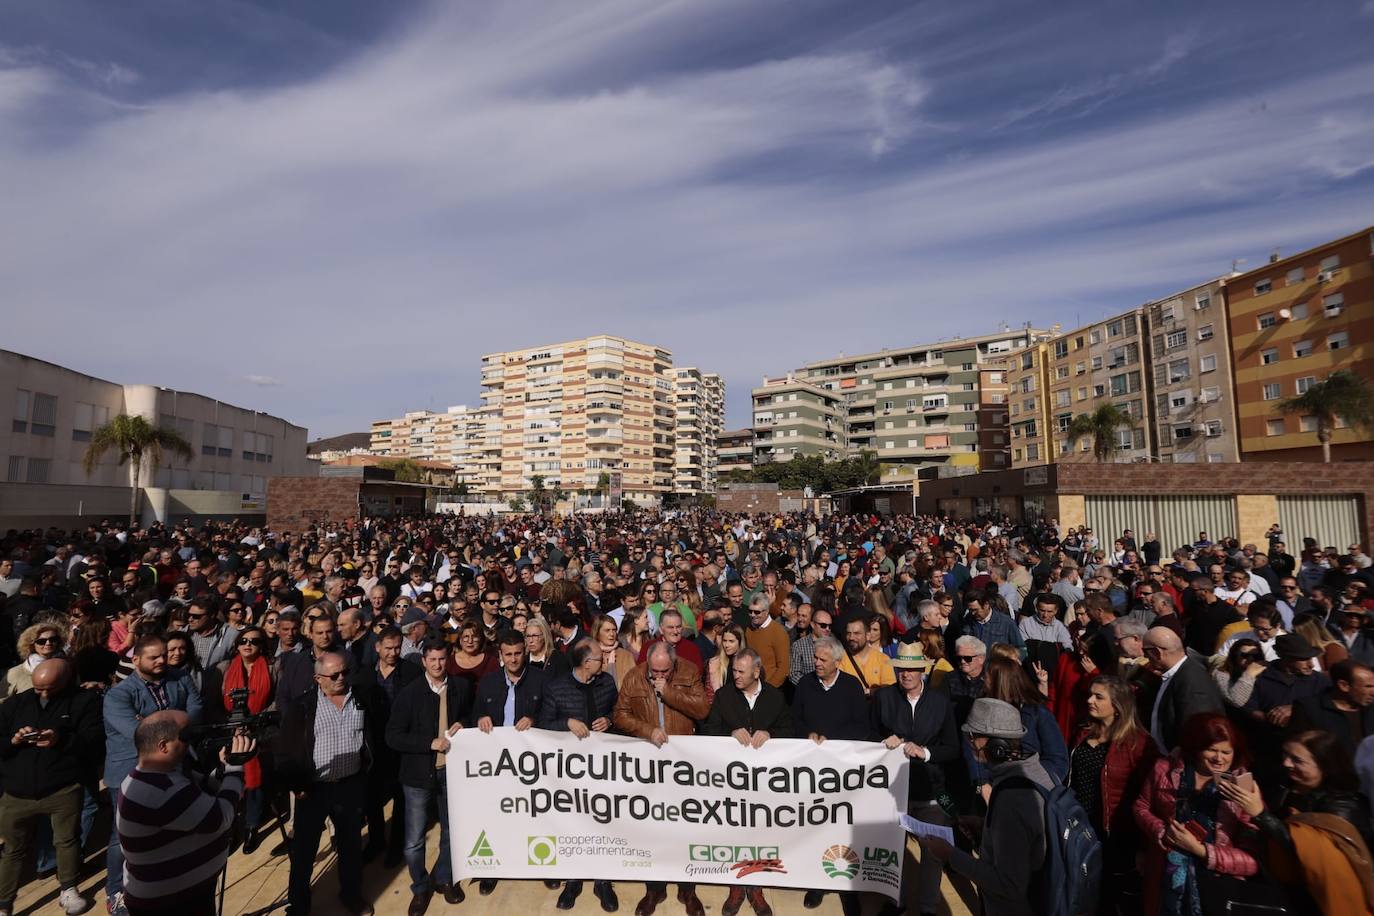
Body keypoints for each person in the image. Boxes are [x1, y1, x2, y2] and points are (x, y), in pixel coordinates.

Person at [918, 698, 1053, 916]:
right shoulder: (1035, 771)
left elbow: (1007, 884)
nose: (969, 741)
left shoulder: (1012, 797)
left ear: (997, 745)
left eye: (974, 736)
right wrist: (986, 825)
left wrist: (949, 854)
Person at [115, 711, 254, 915]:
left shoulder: (157, 775)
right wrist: (236, 767)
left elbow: (203, 789)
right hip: (171, 905)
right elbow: (220, 817)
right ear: (163, 746)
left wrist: (224, 767)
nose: (190, 743)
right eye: (185, 736)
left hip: (182, 897)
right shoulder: (161, 790)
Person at [1221, 730, 1374, 914]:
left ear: (1324, 765)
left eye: (1297, 760)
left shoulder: (1345, 805)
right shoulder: (1285, 788)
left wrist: (1261, 815)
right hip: (1285, 890)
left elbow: (1309, 852)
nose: (1287, 763)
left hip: (1323, 899)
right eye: (1286, 755)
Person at [103, 634, 204, 912]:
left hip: (175, 765)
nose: (162, 660)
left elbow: (196, 708)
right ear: (136, 660)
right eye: (154, 657)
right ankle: (116, 891)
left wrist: (155, 721)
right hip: (130, 771)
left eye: (163, 655)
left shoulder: (179, 677)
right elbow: (138, 733)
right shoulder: (118, 695)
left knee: (173, 826)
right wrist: (173, 721)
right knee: (122, 836)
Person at [612, 642, 709, 916]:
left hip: (682, 763)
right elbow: (620, 715)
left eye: (664, 671)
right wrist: (647, 730)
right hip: (650, 763)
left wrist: (669, 692)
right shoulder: (635, 676)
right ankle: (655, 888)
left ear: (673, 664)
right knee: (653, 826)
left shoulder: (689, 672)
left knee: (685, 825)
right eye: (654, 671)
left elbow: (702, 710)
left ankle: (687, 888)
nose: (658, 676)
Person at [1132, 713, 1260, 915]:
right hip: (1164, 875)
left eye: (1226, 752)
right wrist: (1162, 831)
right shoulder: (1165, 769)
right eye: (1212, 750)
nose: (1219, 758)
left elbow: (1252, 861)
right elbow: (1141, 806)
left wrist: (1200, 850)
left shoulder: (1244, 787)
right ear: (1196, 747)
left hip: (1217, 885)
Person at [0, 659, 101, 916]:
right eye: (38, 689)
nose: (43, 694)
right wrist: (14, 740)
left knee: (66, 840)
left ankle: (68, 888)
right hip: (16, 791)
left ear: (66, 681)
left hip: (62, 787)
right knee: (12, 850)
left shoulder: (84, 702)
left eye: (50, 689)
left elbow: (94, 743)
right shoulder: (15, 704)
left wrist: (61, 739)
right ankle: (4, 903)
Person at [275, 650, 373, 916]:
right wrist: (297, 785)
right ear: (318, 678)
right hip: (313, 790)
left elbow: (369, 739)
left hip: (349, 786)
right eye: (334, 675)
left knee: (350, 847)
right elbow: (286, 751)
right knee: (305, 852)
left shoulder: (360, 699)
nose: (341, 678)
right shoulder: (302, 707)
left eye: (345, 672)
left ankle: (351, 895)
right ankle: (299, 905)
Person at [872, 643, 958, 916]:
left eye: (912, 669)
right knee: (892, 850)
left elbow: (952, 748)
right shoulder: (884, 697)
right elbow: (867, 736)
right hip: (892, 791)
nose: (906, 674)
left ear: (923, 670)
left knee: (932, 853)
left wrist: (926, 752)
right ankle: (896, 901)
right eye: (901, 669)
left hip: (930, 789)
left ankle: (928, 907)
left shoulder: (940, 702)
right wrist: (882, 742)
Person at [388, 639, 471, 914]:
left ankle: (445, 878)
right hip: (417, 776)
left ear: (449, 659)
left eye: (442, 659)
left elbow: (471, 716)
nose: (437, 664)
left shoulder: (460, 687)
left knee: (451, 830)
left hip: (452, 772)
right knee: (414, 840)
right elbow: (393, 736)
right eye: (432, 659)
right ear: (423, 661)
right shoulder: (409, 694)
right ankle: (420, 888)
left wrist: (464, 723)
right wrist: (428, 743)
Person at [538, 639, 619, 912]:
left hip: (604, 768)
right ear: (586, 663)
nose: (604, 660)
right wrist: (567, 723)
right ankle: (573, 879)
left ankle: (602, 880)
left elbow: (619, 711)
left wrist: (609, 720)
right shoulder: (557, 688)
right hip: (569, 773)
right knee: (574, 824)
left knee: (604, 822)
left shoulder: (607, 683)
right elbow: (543, 724)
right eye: (599, 657)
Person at [791, 635, 868, 915]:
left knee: (842, 829)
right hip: (812, 772)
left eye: (823, 659)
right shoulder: (805, 684)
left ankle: (848, 888)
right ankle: (818, 882)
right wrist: (808, 733)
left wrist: (832, 740)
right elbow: (794, 720)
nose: (817, 663)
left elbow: (862, 726)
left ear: (837, 661)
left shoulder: (851, 687)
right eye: (815, 658)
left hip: (842, 773)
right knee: (816, 825)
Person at [1068, 675, 1157, 916]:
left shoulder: (1138, 744)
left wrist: (1142, 847)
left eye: (1098, 697)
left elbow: (1149, 798)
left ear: (1117, 705)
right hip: (1081, 829)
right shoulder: (1083, 733)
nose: (1090, 700)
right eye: (1090, 695)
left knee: (1112, 899)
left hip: (1117, 836)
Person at [469, 630, 546, 895]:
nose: (513, 659)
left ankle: (542, 863)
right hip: (497, 764)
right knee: (498, 816)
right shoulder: (488, 683)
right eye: (508, 654)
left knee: (535, 815)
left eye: (518, 653)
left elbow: (553, 714)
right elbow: (475, 713)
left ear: (525, 652)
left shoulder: (541, 680)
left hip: (531, 763)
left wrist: (535, 720)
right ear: (500, 655)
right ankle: (494, 867)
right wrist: (480, 717)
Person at [216, 626, 274, 854]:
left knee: (255, 780)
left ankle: (251, 826)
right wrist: (232, 723)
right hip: (230, 732)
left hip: (260, 731)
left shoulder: (273, 667)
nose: (248, 645)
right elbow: (214, 701)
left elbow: (278, 699)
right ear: (237, 644)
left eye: (254, 641)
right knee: (231, 779)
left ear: (262, 646)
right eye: (244, 641)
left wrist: (256, 720)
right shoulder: (223, 668)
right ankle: (230, 829)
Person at [1142, 626, 1223, 753]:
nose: (1145, 657)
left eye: (1145, 652)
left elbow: (1197, 730)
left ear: (1157, 652)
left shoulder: (1192, 680)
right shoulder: (1178, 674)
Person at [1291, 660, 1374, 756]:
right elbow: (1300, 749)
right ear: (1344, 686)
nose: (1373, 692)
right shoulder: (1309, 710)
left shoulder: (1370, 708)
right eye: (1368, 686)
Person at [837, 614, 896, 696]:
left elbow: (889, 689)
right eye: (848, 633)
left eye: (857, 633)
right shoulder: (840, 658)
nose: (851, 637)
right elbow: (839, 687)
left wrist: (869, 691)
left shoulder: (883, 659)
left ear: (868, 636)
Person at [5, 621, 64, 697]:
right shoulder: (15, 673)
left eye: (53, 639)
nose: (48, 643)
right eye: (41, 641)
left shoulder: (66, 666)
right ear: (31, 644)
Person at [743, 594, 790, 688]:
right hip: (750, 685)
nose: (753, 615)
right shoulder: (748, 629)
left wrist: (768, 689)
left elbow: (783, 668)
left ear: (767, 611)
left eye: (757, 612)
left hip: (769, 687)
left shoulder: (778, 632)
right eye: (750, 611)